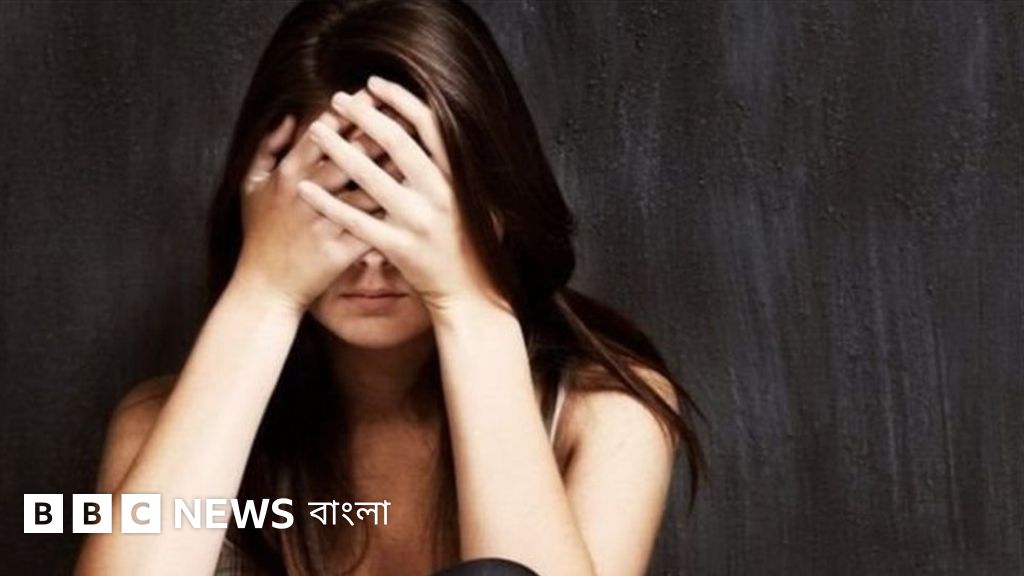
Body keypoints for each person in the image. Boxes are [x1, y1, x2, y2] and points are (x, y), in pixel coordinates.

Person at [75, 0, 706, 574]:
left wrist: (470, 306)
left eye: (406, 204)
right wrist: (262, 293)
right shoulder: (157, 422)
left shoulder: (604, 415)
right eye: (336, 202)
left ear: (492, 206)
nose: (373, 257)